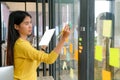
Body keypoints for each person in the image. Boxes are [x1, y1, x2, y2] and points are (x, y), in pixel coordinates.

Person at [6, 10, 70, 80]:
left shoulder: (22, 43)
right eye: (26, 23)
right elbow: (50, 59)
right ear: (16, 27)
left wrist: (42, 49)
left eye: (30, 22)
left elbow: (33, 65)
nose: (30, 26)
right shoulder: (22, 45)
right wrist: (63, 39)